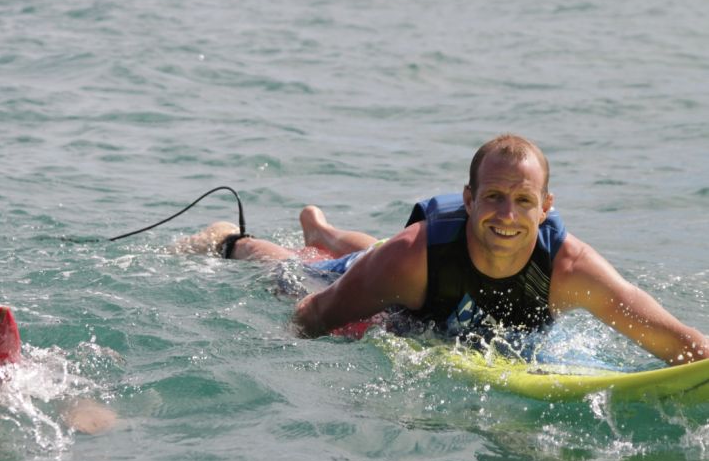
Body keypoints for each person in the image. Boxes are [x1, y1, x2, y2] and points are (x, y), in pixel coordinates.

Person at [182, 134, 708, 366]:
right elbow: (311, 313)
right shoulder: (412, 259)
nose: (507, 214)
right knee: (297, 273)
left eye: (523, 201)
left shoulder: (571, 269)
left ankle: (324, 229)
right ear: (468, 199)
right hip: (397, 280)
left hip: (407, 263)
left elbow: (680, 343)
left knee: (382, 255)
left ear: (545, 207)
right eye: (494, 197)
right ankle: (234, 239)